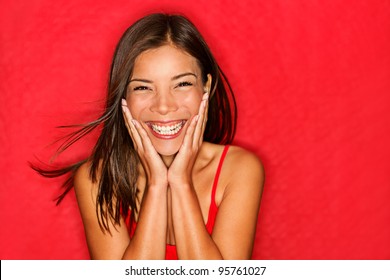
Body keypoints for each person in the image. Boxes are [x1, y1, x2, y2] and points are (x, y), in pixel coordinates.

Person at [36, 13, 264, 260]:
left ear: (206, 87)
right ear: (123, 96)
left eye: (182, 84)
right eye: (143, 87)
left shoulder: (239, 169)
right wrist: (157, 183)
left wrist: (180, 182)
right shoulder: (97, 180)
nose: (164, 106)